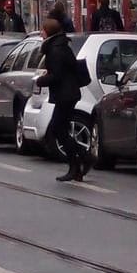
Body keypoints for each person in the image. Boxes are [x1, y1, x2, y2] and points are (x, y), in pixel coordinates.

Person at [35, 12, 88, 182]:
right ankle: (79, 164)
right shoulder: (60, 45)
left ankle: (79, 162)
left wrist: (41, 80)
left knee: (58, 129)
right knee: (60, 129)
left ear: (48, 32)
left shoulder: (56, 50)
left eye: (42, 31)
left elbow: (56, 75)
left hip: (66, 94)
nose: (41, 34)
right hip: (68, 93)